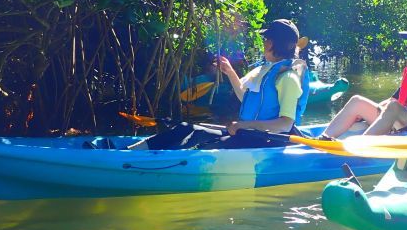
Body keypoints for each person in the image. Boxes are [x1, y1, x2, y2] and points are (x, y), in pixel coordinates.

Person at [124, 19, 309, 150]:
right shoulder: (267, 70)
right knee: (188, 129)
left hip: (269, 141)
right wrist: (229, 72)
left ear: (276, 44)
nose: (264, 42)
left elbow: (285, 125)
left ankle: (144, 158)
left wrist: (243, 125)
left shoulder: (287, 78)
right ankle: (132, 152)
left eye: (268, 39)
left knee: (203, 142)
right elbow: (246, 97)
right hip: (251, 134)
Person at [320, 24, 407, 139]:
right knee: (357, 101)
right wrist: (362, 114)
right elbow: (394, 99)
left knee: (393, 107)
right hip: (401, 119)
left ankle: (360, 146)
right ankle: (324, 138)